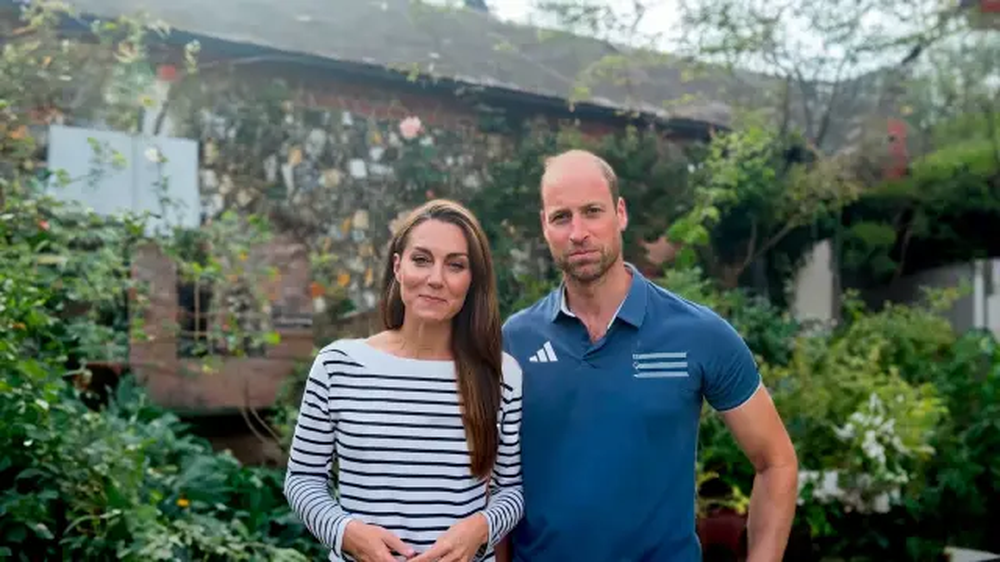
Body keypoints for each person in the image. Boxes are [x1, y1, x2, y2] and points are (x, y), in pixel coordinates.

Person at [500, 149, 799, 562]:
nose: (578, 232)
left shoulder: (699, 333)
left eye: (592, 211)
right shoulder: (513, 341)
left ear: (620, 213)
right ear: (544, 226)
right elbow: (494, 485)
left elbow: (776, 462)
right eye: (561, 217)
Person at [284, 199, 524, 562]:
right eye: (421, 259)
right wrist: (348, 534)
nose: (435, 279)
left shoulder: (501, 375)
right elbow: (302, 479)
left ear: (471, 280)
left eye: (455, 265)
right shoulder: (338, 366)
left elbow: (512, 491)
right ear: (398, 266)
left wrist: (480, 529)